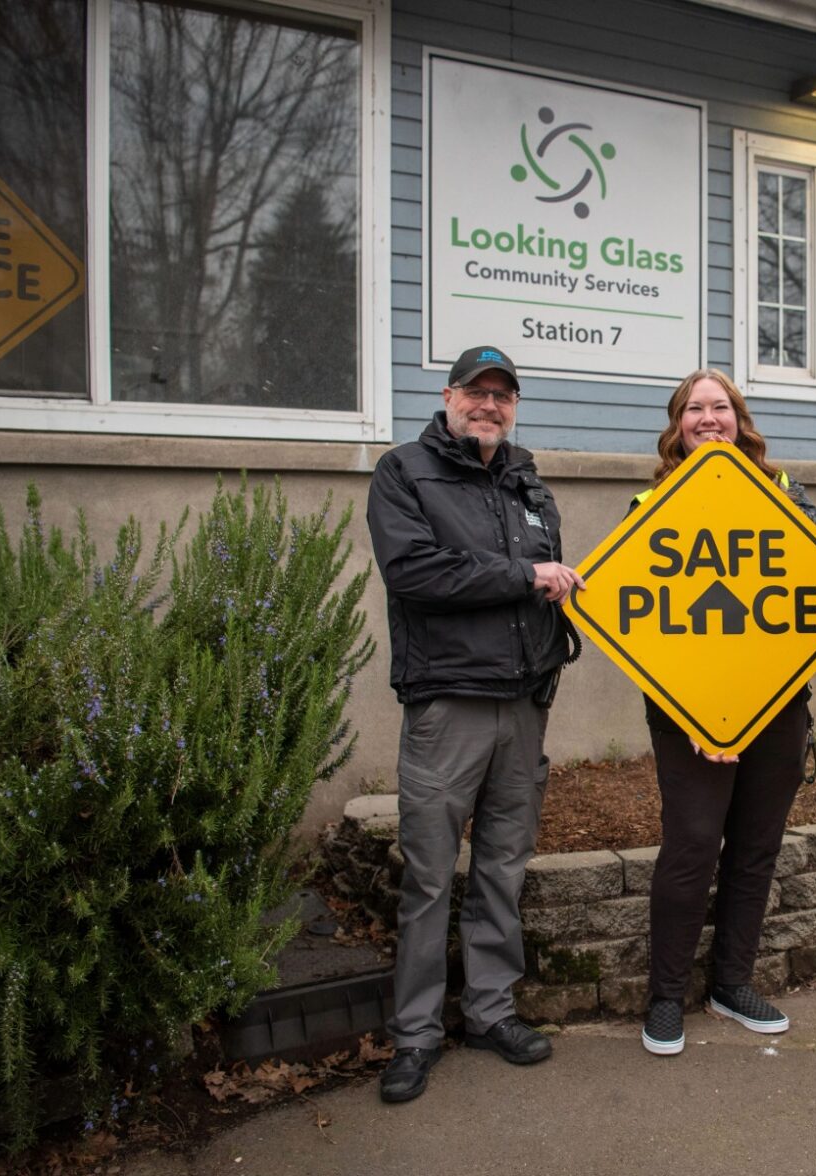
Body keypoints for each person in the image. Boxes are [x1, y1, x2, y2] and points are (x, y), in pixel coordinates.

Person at [367, 344, 583, 1103]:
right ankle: (417, 1034)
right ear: (450, 395)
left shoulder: (525, 477)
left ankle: (492, 1011)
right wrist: (526, 576)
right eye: (477, 392)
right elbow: (416, 574)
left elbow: (545, 575)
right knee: (429, 876)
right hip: (448, 704)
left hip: (523, 704)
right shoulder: (404, 473)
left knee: (501, 867)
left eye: (503, 396)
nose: (490, 406)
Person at [637, 369, 816, 1057]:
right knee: (692, 846)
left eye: (720, 407)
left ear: (740, 418)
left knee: (756, 848)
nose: (708, 418)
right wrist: (696, 714)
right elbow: (641, 627)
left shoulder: (784, 490)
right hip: (686, 717)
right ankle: (665, 996)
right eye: (694, 409)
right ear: (677, 426)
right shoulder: (652, 502)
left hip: (777, 708)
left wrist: (756, 494)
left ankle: (732, 983)